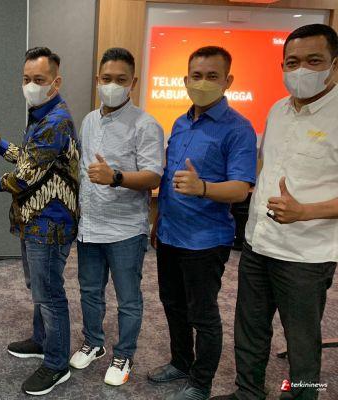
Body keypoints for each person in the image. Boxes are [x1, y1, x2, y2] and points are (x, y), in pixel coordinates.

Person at [212, 24, 338, 400]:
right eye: (292, 62)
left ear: (334, 64)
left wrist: (305, 211)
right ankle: (248, 393)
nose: (301, 70)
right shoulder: (277, 110)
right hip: (258, 243)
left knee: (302, 343)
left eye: (313, 60)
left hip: (305, 254)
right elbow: (266, 166)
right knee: (250, 329)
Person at [147, 46, 257, 400]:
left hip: (206, 240)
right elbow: (169, 180)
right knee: (172, 304)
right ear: (185, 80)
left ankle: (200, 383)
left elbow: (241, 188)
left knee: (202, 314)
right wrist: (158, 220)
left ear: (228, 81)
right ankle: (180, 362)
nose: (203, 82)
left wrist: (203, 188)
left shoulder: (238, 129)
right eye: (197, 75)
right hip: (170, 233)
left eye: (212, 76)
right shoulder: (180, 123)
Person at [0, 47, 79, 396]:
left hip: (50, 223)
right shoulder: (41, 115)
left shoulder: (55, 121)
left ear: (56, 82)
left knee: (49, 293)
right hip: (34, 219)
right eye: (26, 79)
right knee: (38, 287)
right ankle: (41, 340)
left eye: (39, 79)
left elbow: (23, 177)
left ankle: (57, 364)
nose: (31, 85)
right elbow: (30, 160)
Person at [68, 47, 164, 386]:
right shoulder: (88, 120)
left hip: (125, 228)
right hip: (90, 225)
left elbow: (153, 176)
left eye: (121, 80)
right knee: (90, 291)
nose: (112, 85)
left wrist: (117, 177)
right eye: (107, 78)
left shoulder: (146, 124)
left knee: (128, 298)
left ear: (133, 83)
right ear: (98, 79)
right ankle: (94, 343)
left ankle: (124, 353)